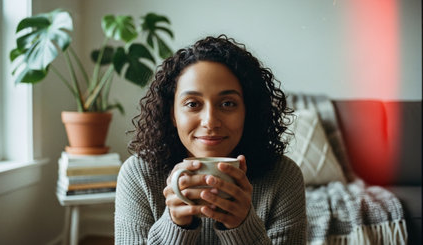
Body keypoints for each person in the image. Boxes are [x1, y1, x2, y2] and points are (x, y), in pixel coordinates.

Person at [114, 35, 306, 244]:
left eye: (227, 104)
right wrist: (174, 225)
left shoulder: (283, 177)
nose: (210, 121)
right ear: (172, 114)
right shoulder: (138, 175)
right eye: (192, 104)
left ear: (247, 111)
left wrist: (243, 226)